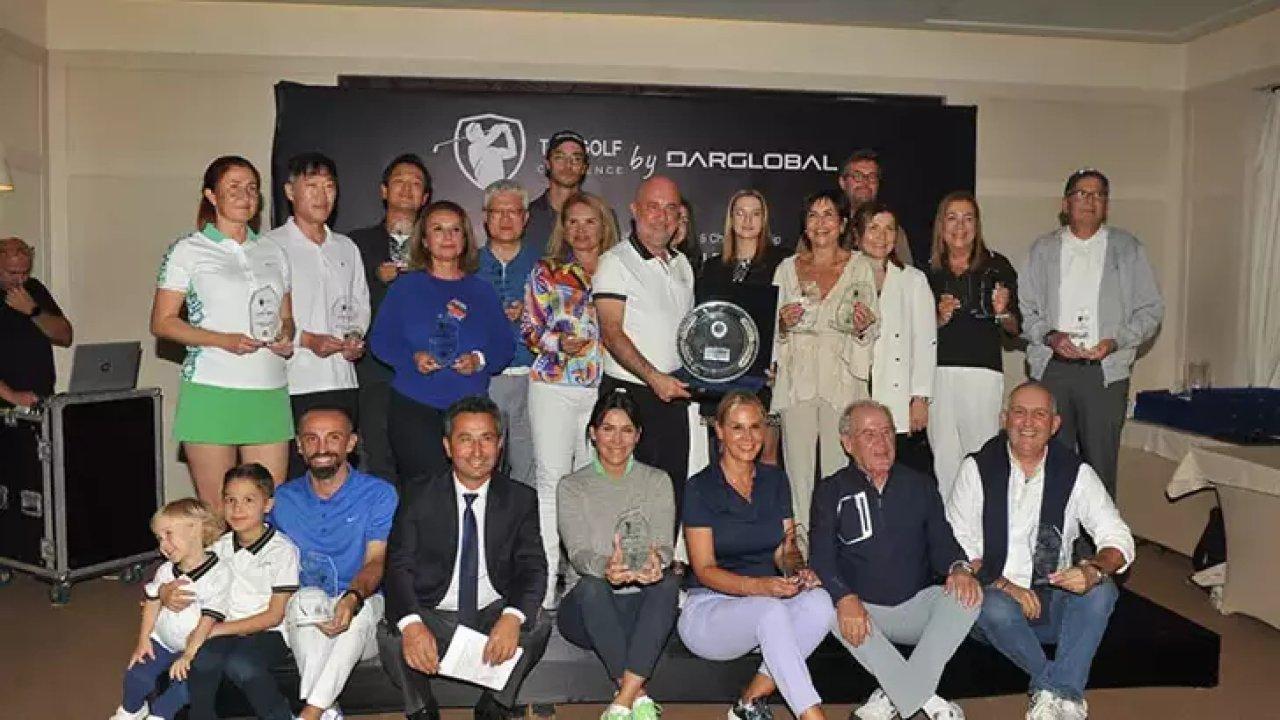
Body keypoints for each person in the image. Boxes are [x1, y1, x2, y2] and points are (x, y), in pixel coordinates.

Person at [945, 381, 1135, 720]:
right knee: (989, 604)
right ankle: (1058, 689)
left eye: (1039, 414)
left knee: (1102, 591)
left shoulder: (1076, 473)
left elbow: (1118, 537)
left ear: (1055, 424)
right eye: (1019, 412)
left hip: (1050, 599)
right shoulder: (976, 469)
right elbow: (956, 546)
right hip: (993, 605)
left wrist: (1093, 569)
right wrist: (1008, 587)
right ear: (1004, 419)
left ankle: (1059, 694)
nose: (1028, 423)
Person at [378, 396, 551, 720]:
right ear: (447, 446)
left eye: (486, 438)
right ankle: (422, 710)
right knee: (391, 632)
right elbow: (398, 566)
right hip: (435, 613)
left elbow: (532, 566)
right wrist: (413, 625)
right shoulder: (418, 494)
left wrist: (512, 617)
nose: (477, 451)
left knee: (538, 622)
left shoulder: (520, 498)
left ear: (500, 444)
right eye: (465, 439)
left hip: (491, 614)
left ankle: (494, 706)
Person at [810, 400, 978, 720]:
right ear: (847, 443)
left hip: (915, 607)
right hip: (861, 613)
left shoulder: (920, 484)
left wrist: (959, 568)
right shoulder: (831, 491)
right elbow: (821, 558)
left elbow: (944, 545)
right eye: (869, 434)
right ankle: (928, 702)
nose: (882, 442)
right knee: (821, 605)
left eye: (887, 432)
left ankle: (892, 695)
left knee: (968, 595)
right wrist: (844, 597)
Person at [679, 391, 834, 720]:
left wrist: (797, 571)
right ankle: (813, 715)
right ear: (719, 431)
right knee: (769, 610)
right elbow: (704, 569)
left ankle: (748, 701)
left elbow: (786, 549)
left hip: (766, 606)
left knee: (821, 603)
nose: (748, 437)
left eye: (755, 427)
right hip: (709, 610)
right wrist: (760, 587)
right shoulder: (699, 487)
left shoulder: (775, 479)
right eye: (737, 427)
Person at [151, 156, 296, 505]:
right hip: (211, 388)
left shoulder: (273, 251)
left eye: (252, 188)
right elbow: (162, 322)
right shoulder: (188, 250)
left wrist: (284, 334)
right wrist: (222, 340)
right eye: (234, 188)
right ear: (211, 196)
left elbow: (287, 317)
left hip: (268, 389)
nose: (246, 196)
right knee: (218, 510)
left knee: (265, 507)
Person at [1020, 168, 1164, 497]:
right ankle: (1051, 530)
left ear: (1106, 206)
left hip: (1104, 375)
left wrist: (1117, 341)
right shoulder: (1043, 250)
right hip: (1054, 370)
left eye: (1098, 195)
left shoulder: (1128, 249)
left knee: (1100, 471)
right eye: (1082, 194)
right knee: (1050, 466)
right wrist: (1050, 336)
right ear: (1065, 204)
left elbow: (1151, 309)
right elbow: (1023, 309)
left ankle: (1099, 532)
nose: (1090, 201)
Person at [369, 200, 513, 484]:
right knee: (422, 491)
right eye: (438, 229)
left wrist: (478, 360)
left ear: (465, 238)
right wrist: (411, 358)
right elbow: (381, 340)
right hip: (415, 407)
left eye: (455, 230)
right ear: (424, 240)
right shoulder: (405, 288)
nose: (447, 237)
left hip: (470, 410)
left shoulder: (482, 291)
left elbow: (504, 347)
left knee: (471, 488)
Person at [557, 389, 679, 720]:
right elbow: (578, 553)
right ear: (593, 433)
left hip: (641, 608)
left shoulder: (657, 481)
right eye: (608, 429)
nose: (617, 440)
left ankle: (625, 702)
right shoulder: (572, 486)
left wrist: (657, 562)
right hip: (588, 609)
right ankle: (636, 694)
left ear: (638, 436)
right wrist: (606, 567)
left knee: (669, 583)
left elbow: (664, 546)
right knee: (591, 586)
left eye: (627, 430)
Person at [522, 190, 618, 608]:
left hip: (603, 388)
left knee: (590, 486)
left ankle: (584, 582)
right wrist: (559, 343)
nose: (580, 230)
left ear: (603, 225)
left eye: (589, 221)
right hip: (553, 385)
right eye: (573, 222)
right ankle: (545, 585)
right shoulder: (547, 271)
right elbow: (529, 328)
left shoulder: (619, 270)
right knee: (551, 484)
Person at [272, 407, 398, 720]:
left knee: (360, 612)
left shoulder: (378, 494)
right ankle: (324, 711)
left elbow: (376, 561)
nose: (322, 448)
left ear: (351, 443)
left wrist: (353, 598)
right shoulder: (281, 498)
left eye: (333, 438)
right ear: (299, 446)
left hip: (363, 610)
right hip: (305, 618)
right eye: (311, 439)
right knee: (305, 599)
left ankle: (312, 713)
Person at [772, 190, 877, 525]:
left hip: (842, 381)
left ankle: (840, 542)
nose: (821, 223)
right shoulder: (786, 269)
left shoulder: (860, 267)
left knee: (840, 472)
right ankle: (800, 545)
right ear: (804, 225)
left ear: (843, 223)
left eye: (829, 214)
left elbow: (871, 328)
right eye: (813, 215)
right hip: (797, 381)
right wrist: (782, 325)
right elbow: (770, 329)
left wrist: (862, 327)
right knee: (797, 475)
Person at [595, 176, 696, 522]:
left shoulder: (682, 265)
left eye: (670, 209)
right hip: (630, 397)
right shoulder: (615, 261)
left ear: (679, 216)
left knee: (670, 496)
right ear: (635, 210)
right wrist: (654, 378)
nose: (661, 217)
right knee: (625, 502)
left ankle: (662, 558)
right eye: (653, 207)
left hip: (673, 396)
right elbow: (611, 333)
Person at [264, 152, 370, 482]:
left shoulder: (346, 246)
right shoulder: (270, 245)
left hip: (342, 379)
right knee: (294, 477)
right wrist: (306, 340)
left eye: (329, 186)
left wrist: (354, 338)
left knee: (340, 475)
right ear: (289, 191)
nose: (322, 195)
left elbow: (360, 303)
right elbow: (263, 313)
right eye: (312, 186)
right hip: (292, 380)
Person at [185, 463, 300, 720]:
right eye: (230, 500)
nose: (237, 509)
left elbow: (274, 616)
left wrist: (216, 630)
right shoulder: (218, 547)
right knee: (202, 661)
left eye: (249, 500)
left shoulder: (282, 551)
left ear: (267, 505)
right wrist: (167, 593)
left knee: (242, 665)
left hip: (269, 633)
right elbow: (188, 578)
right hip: (225, 628)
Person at [925, 191, 1020, 496]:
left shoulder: (997, 265)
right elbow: (916, 333)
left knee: (981, 459)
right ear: (941, 225)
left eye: (968, 218)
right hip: (937, 374)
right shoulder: (928, 272)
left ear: (977, 225)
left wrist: (1002, 311)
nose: (960, 226)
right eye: (952, 218)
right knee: (944, 459)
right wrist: (937, 319)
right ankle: (949, 524)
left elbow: (1015, 328)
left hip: (982, 373)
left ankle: (982, 523)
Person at [349, 153, 432, 485]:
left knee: (423, 462)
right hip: (374, 370)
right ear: (384, 191)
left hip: (424, 370)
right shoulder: (356, 245)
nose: (407, 189)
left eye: (416, 184)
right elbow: (344, 305)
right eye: (399, 181)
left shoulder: (437, 245)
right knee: (377, 458)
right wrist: (375, 280)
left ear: (425, 197)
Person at [110, 499, 229, 720]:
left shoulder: (218, 574)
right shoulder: (165, 570)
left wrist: (189, 654)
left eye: (168, 534)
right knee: (136, 675)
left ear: (196, 528)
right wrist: (143, 640)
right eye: (159, 538)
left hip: (198, 646)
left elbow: (209, 619)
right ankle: (130, 710)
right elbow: (152, 601)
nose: (163, 545)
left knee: (183, 687)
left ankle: (159, 716)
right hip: (162, 641)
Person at [698, 189, 789, 465]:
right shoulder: (712, 268)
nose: (748, 221)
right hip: (721, 377)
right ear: (731, 219)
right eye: (740, 213)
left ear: (764, 220)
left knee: (765, 456)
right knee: (723, 458)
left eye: (755, 214)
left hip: (764, 377)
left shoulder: (782, 264)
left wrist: (781, 364)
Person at [854, 202, 937, 477]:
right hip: (853, 387)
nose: (882, 236)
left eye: (889, 229)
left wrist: (920, 397)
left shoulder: (913, 280)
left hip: (897, 393)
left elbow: (925, 341)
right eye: (873, 228)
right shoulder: (845, 275)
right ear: (858, 234)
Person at [476, 179, 540, 488]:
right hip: (483, 378)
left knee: (530, 469)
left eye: (513, 212)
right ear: (485, 217)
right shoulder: (467, 263)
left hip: (533, 378)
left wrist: (531, 313)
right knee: (481, 463)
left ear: (525, 217)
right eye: (497, 212)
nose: (505, 219)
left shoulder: (543, 265)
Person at [0, 236, 73, 407]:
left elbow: (65, 337)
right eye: (12, 273)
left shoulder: (34, 289)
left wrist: (33, 311)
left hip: (40, 400)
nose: (20, 280)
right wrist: (12, 396)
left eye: (25, 272)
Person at [835, 149, 912, 264]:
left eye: (872, 176)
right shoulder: (828, 228)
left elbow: (905, 271)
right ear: (842, 182)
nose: (865, 182)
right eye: (858, 176)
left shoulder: (893, 231)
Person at [526, 130, 590, 254]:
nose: (568, 165)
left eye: (576, 159)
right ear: (548, 164)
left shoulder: (601, 216)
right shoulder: (526, 217)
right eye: (560, 158)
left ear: (584, 167)